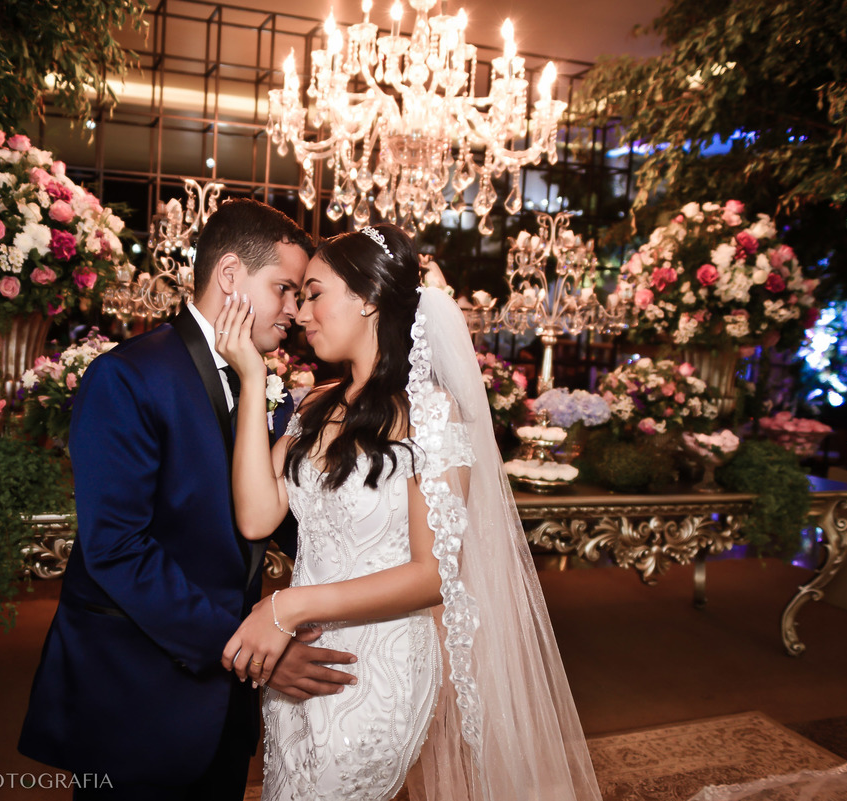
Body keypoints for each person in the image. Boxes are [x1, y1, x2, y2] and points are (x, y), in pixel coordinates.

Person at [214, 223, 602, 801]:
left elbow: (435, 573)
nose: (300, 313)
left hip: (379, 667)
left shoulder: (432, 415)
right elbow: (255, 516)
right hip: (299, 664)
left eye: (314, 294)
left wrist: (287, 605)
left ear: (368, 298)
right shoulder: (316, 403)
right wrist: (252, 379)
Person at [17, 199, 358, 801]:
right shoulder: (128, 377)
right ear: (229, 275)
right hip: (138, 689)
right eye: (283, 288)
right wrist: (249, 651)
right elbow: (117, 549)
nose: (294, 309)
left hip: (226, 704)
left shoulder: (270, 384)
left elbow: (284, 517)